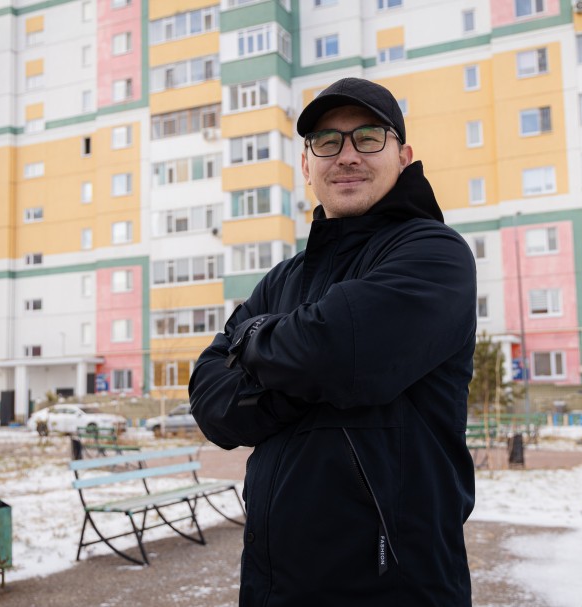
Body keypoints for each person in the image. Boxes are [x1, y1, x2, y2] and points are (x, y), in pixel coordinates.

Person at [189, 77, 477, 606]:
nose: (346, 155)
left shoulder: (435, 254)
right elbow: (211, 402)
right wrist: (301, 375)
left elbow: (336, 354)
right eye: (327, 141)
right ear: (307, 165)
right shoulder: (282, 279)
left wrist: (256, 345)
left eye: (367, 137)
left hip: (395, 589)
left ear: (403, 156)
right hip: (273, 587)